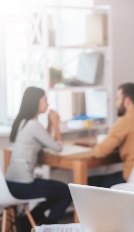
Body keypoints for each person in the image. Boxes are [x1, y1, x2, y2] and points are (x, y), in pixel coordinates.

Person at [5, 86, 72, 231]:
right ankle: (46, 227)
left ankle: (28, 222)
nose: (48, 104)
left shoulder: (23, 122)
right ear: (36, 102)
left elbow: (44, 141)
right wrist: (55, 123)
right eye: (45, 100)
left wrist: (49, 124)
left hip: (9, 185)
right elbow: (58, 147)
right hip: (23, 186)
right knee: (67, 191)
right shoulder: (34, 125)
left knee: (56, 192)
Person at [89, 83, 134, 187]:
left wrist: (96, 146)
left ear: (127, 101)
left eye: (117, 99)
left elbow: (100, 152)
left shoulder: (125, 121)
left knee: (88, 181)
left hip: (131, 179)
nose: (116, 103)